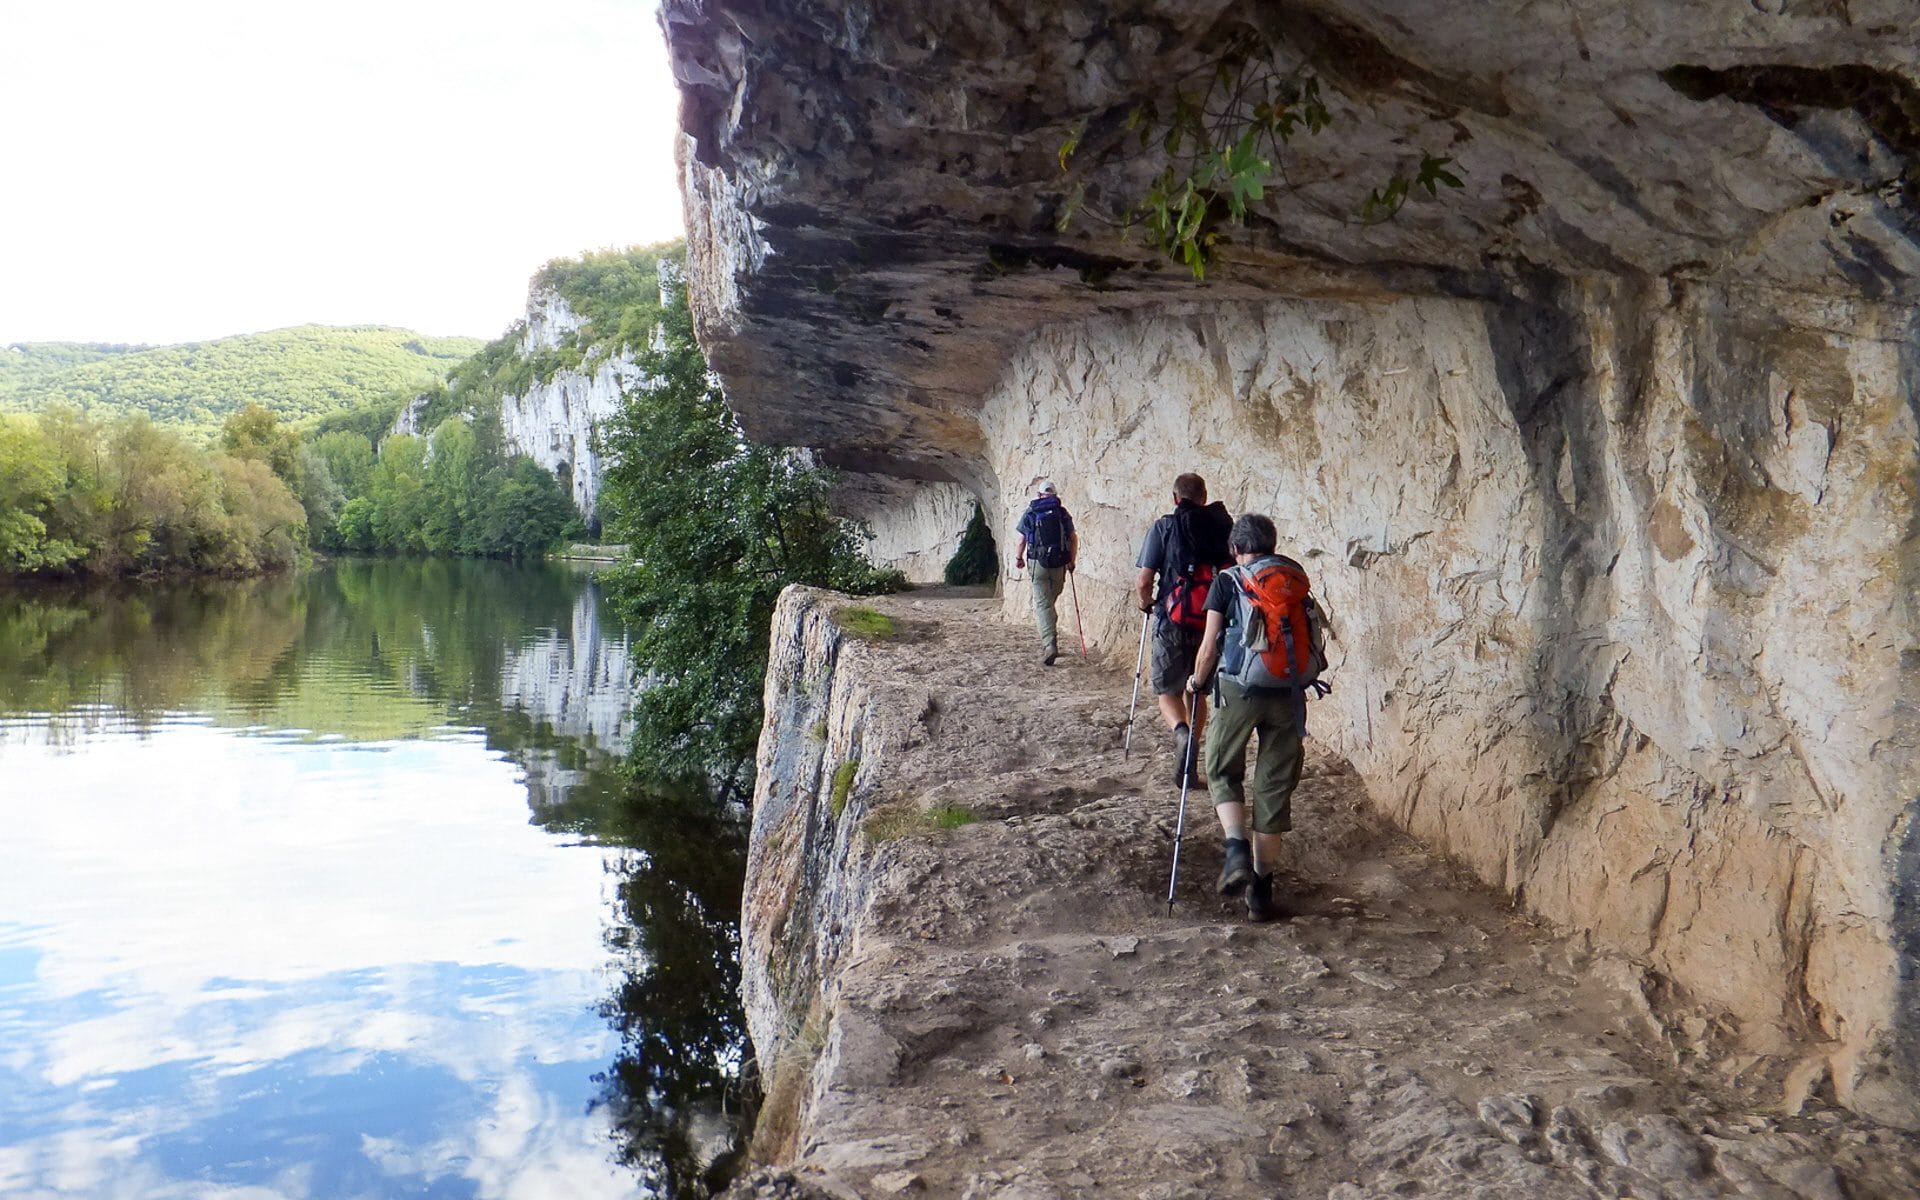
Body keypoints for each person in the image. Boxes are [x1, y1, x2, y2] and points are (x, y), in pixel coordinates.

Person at [1184, 513, 1322, 922]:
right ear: (1273, 543)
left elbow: (1210, 646)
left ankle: (1235, 849)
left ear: (1236, 548)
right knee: (1273, 789)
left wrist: (1195, 682)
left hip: (1238, 692)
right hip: (1290, 692)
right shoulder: (1294, 581)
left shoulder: (1228, 581)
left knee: (1223, 768)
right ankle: (1261, 891)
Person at [1134, 473, 1233, 785]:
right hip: (1211, 622)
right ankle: (1191, 759)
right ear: (1204, 497)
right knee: (1197, 689)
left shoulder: (1164, 526)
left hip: (1172, 618)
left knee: (1167, 691)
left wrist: (1146, 602)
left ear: (1175, 498)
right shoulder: (1222, 526)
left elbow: (1144, 579)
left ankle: (1181, 733)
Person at [1013, 479, 1078, 665]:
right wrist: (1071, 561)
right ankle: (1050, 632)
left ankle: (1050, 645)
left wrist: (1019, 558)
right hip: (1058, 563)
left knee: (1043, 605)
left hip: (1037, 564)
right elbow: (1073, 538)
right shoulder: (1062, 513)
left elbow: (1020, 540)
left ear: (1039, 494)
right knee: (1050, 600)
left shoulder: (1031, 512)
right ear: (1055, 495)